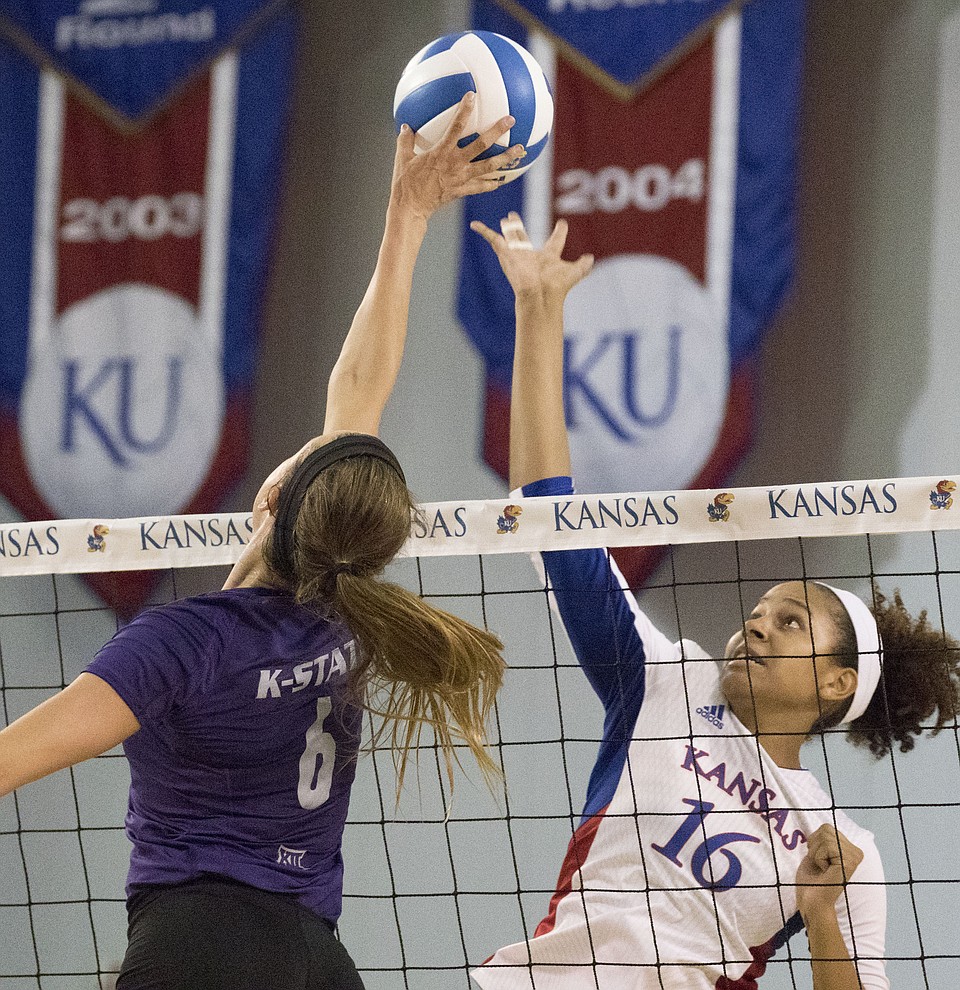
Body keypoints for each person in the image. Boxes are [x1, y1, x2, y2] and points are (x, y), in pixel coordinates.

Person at [0, 94, 523, 990]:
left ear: (273, 495)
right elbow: (361, 388)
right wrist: (406, 217)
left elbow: (13, 759)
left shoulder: (184, 643)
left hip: (196, 944)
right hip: (317, 960)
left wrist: (408, 210)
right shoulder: (348, 624)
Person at [467, 211, 960, 990]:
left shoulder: (839, 848)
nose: (757, 622)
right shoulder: (664, 682)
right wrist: (537, 312)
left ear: (836, 682)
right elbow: (550, 517)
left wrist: (822, 916)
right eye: (758, 610)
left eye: (790, 621)